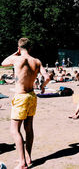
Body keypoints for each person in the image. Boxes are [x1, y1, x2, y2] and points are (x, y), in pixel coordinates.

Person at [1, 38, 50, 169]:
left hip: (21, 96)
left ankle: (22, 162)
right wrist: (43, 87)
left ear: (19, 48)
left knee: (14, 130)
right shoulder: (37, 61)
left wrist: (15, 53)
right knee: (29, 128)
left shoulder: (17, 59)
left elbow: (3, 63)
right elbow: (47, 77)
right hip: (32, 96)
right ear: (30, 48)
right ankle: (28, 158)